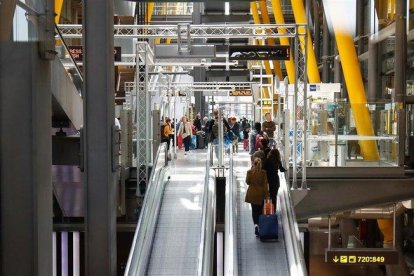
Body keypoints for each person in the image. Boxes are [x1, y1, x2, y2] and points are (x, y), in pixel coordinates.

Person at [245, 158, 270, 236]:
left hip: (252, 194)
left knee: (254, 211)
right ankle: (260, 226)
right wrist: (267, 196)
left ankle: (256, 226)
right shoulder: (263, 173)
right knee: (260, 211)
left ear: (253, 164)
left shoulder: (249, 172)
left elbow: (247, 182)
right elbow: (265, 185)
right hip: (261, 194)